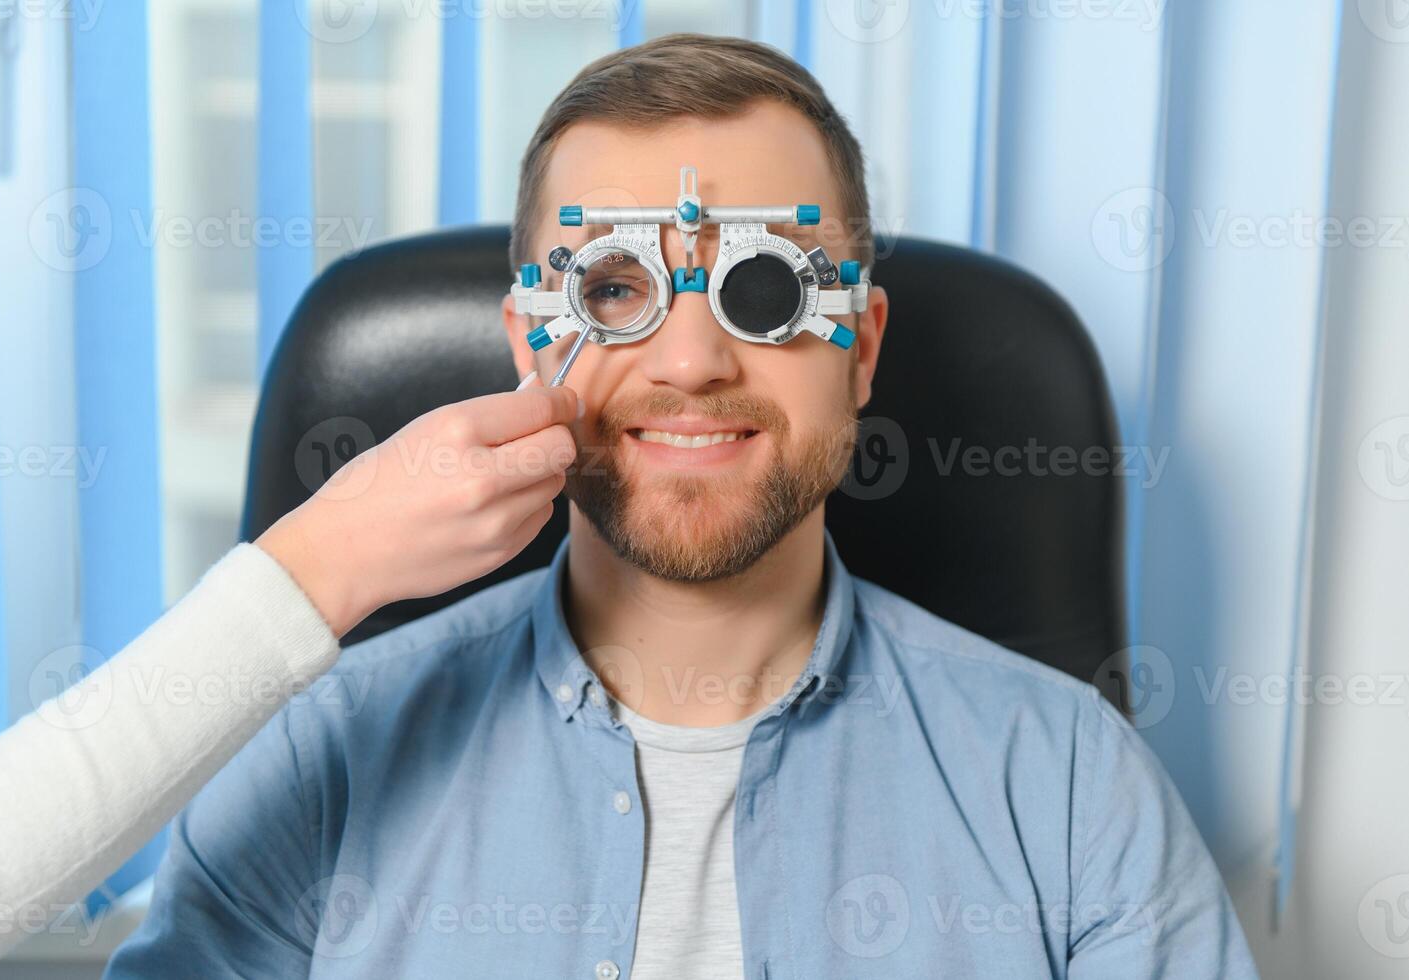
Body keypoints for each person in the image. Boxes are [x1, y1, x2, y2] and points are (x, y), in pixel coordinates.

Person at [108, 34, 1258, 980]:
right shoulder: (326, 759)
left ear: (860, 347)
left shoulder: (1065, 784)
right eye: (617, 289)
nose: (695, 358)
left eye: (770, 288)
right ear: (528, 342)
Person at [0, 382, 578, 980]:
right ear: (528, 335)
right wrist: (329, 559)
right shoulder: (311, 748)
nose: (684, 363)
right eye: (611, 290)